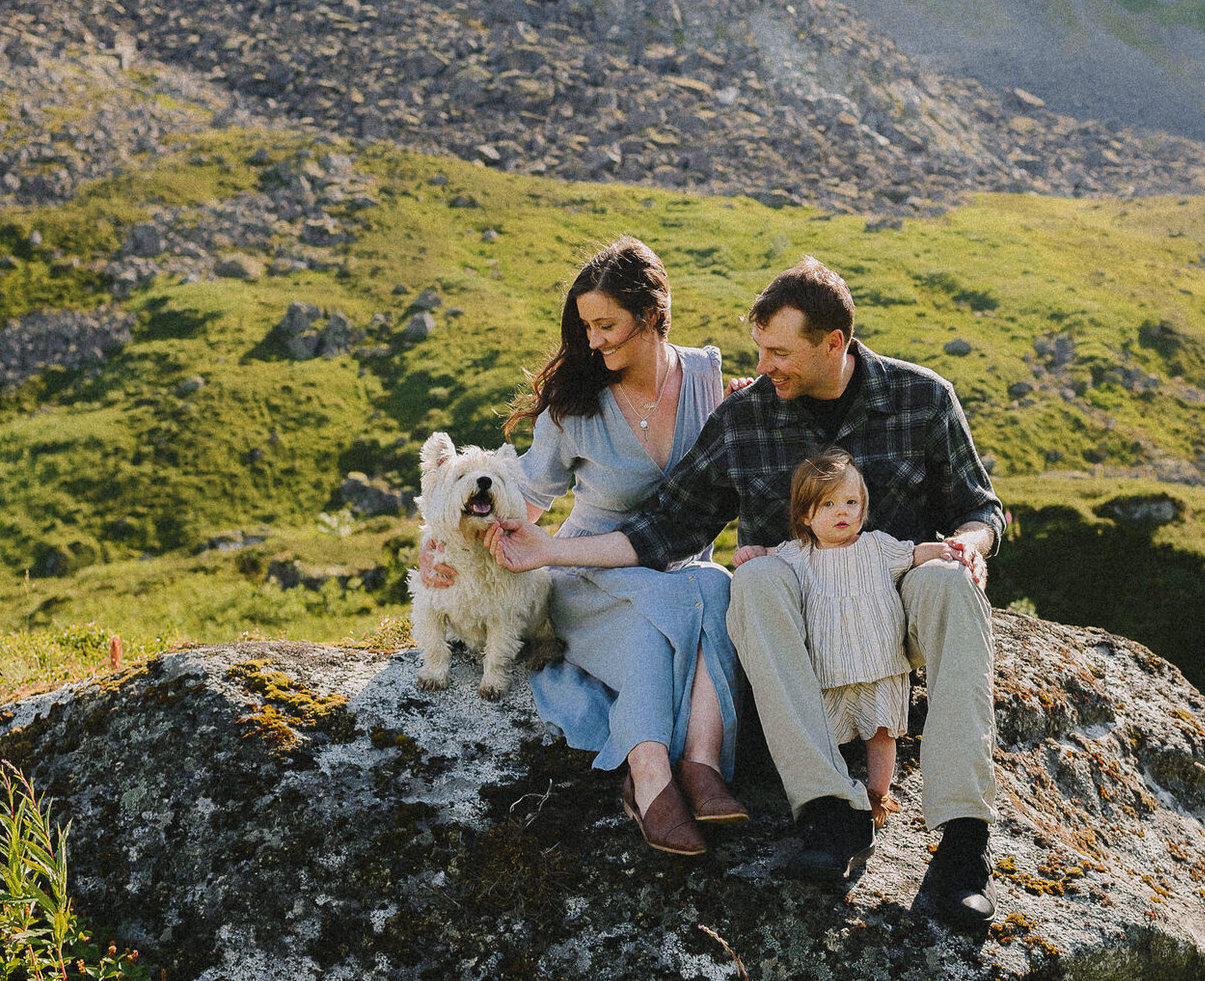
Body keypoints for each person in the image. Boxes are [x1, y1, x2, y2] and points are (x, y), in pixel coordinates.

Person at [490, 256, 1005, 931]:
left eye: (780, 353)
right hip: (798, 622)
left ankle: (964, 849)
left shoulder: (923, 397)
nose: (762, 367)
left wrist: (972, 543)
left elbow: (980, 507)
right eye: (759, 348)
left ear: (834, 343)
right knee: (755, 577)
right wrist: (547, 549)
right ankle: (826, 813)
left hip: (897, 597)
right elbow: (663, 528)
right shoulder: (746, 417)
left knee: (952, 582)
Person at [419, 236, 744, 858]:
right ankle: (656, 773)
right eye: (586, 327)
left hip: (681, 572)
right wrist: (445, 548)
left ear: (652, 314)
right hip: (586, 572)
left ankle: (688, 769)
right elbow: (523, 504)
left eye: (607, 325)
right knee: (688, 595)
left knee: (710, 583)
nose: (593, 342)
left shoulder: (708, 377)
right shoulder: (574, 406)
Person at [768, 449, 963, 826]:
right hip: (828, 669)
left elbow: (913, 554)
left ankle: (879, 793)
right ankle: (836, 792)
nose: (842, 511)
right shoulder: (798, 555)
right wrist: (749, 553)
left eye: (851, 502)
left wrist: (942, 549)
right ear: (806, 515)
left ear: (864, 507)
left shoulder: (877, 545)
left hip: (879, 664)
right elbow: (768, 559)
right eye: (828, 504)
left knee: (881, 733)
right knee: (827, 731)